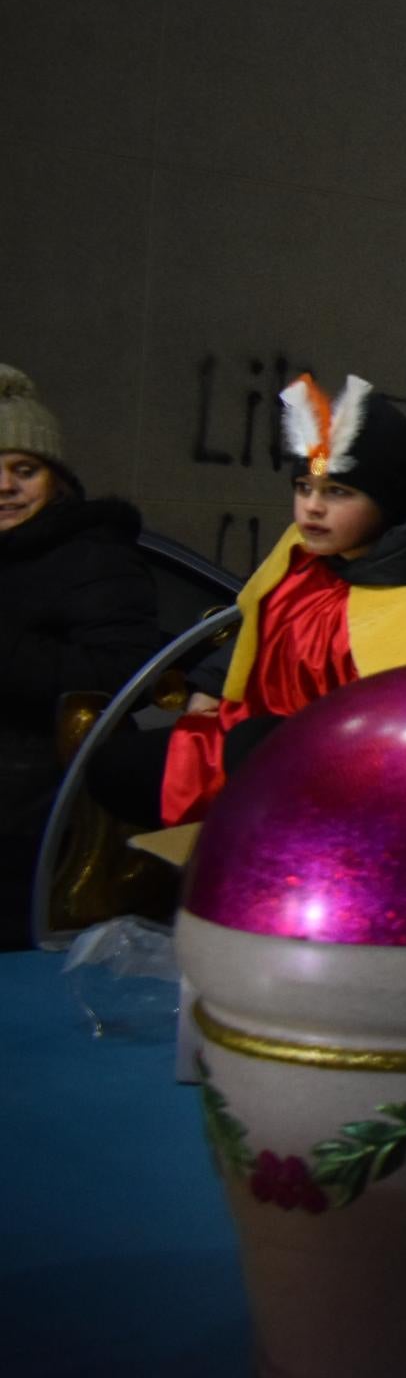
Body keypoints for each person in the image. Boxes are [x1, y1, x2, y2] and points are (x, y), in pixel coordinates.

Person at [158, 376, 406, 824]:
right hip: (252, 744)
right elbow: (263, 624)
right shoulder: (298, 552)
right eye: (303, 487)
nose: (312, 507)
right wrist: (213, 683)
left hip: (349, 792)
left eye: (338, 491)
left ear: (386, 502)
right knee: (116, 763)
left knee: (253, 745)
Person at [0, 365, 162, 945]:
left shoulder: (94, 558)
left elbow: (125, 676)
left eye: (25, 470)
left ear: (58, 481)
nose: (6, 486)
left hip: (40, 821)